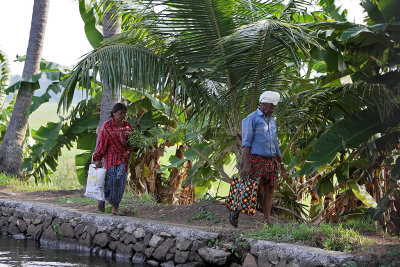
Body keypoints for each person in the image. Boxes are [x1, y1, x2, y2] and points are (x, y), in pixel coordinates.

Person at [229, 91, 288, 227]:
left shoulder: (272, 120)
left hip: (271, 160)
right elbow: (246, 144)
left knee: (270, 189)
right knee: (252, 189)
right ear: (263, 103)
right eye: (272, 105)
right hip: (256, 160)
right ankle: (235, 211)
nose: (274, 108)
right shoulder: (252, 118)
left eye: (275, 105)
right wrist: (246, 165)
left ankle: (267, 220)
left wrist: (282, 166)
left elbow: (275, 144)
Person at [92, 103, 134, 216]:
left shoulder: (127, 126)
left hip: (124, 159)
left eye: (124, 113)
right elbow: (101, 143)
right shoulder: (107, 126)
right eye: (120, 113)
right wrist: (97, 159)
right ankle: (102, 199)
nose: (123, 116)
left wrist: (135, 146)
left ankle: (115, 209)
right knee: (111, 182)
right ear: (114, 113)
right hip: (111, 159)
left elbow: (133, 142)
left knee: (120, 183)